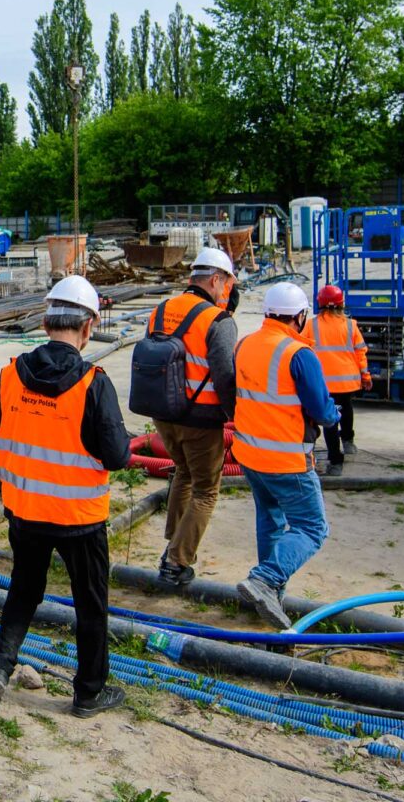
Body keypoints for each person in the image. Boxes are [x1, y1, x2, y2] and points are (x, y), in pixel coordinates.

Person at [0, 274, 132, 719]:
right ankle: (88, 694)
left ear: (46, 323)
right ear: (88, 328)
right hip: (79, 517)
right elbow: (118, 456)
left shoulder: (11, 375)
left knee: (24, 590)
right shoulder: (92, 383)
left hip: (25, 511)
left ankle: (0, 668)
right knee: (90, 602)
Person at [231, 282, 339, 629]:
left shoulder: (245, 344)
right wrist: (334, 415)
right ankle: (266, 579)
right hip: (287, 460)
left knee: (271, 520)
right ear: (301, 316)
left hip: (249, 454)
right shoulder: (298, 354)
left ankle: (268, 595)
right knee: (312, 528)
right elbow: (322, 410)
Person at [146, 247, 239, 589]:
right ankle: (176, 562)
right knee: (205, 490)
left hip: (163, 415)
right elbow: (226, 376)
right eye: (227, 284)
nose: (227, 292)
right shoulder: (217, 320)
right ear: (215, 280)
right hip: (200, 420)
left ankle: (172, 542)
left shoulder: (160, 310)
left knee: (183, 475)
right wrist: (236, 416)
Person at [301, 284, 370, 475]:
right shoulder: (351, 325)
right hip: (347, 383)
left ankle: (335, 462)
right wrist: (366, 376)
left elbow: (299, 350)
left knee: (330, 422)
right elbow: (360, 352)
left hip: (323, 384)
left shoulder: (311, 325)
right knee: (346, 411)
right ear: (342, 304)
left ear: (320, 304)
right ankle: (348, 441)